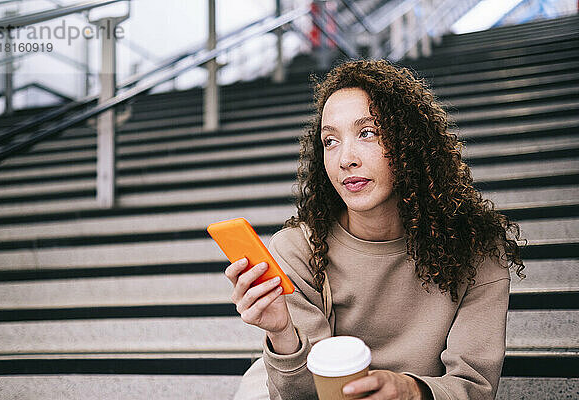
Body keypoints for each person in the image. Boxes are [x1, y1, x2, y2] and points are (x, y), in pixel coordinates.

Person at [225, 59, 525, 400]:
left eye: (367, 132)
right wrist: (282, 333)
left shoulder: (476, 249)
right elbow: (303, 394)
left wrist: (411, 391)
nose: (345, 159)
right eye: (330, 141)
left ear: (410, 142)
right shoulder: (298, 249)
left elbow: (474, 386)